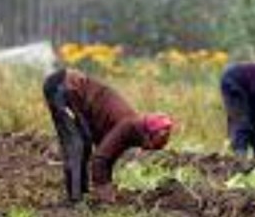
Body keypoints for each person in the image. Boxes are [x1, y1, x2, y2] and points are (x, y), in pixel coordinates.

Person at [43, 68, 174, 203]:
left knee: (85, 143)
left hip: (72, 89)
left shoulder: (131, 128)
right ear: (148, 134)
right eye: (153, 145)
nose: (149, 149)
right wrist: (106, 194)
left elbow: (108, 157)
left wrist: (106, 185)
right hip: (64, 87)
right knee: (77, 145)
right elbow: (100, 160)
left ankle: (81, 195)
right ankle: (75, 200)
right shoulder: (128, 127)